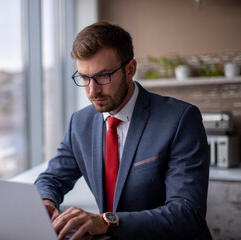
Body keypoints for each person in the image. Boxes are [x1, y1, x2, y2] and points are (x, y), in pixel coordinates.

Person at [35, 22, 212, 240]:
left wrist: (106, 222)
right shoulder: (80, 122)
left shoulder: (180, 119)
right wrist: (46, 202)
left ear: (130, 70)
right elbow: (52, 178)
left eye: (103, 76)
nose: (93, 90)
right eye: (84, 77)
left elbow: (188, 214)